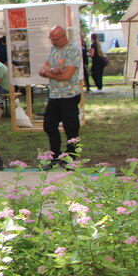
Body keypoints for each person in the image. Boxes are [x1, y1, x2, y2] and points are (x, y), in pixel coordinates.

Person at [39, 25, 82, 169]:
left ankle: (71, 157)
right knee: (49, 125)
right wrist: (52, 71)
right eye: (51, 39)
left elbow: (66, 76)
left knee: (71, 128)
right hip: (55, 94)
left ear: (64, 36)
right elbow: (43, 68)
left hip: (69, 94)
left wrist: (49, 73)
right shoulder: (53, 50)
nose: (53, 42)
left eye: (55, 39)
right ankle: (55, 155)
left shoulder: (73, 50)